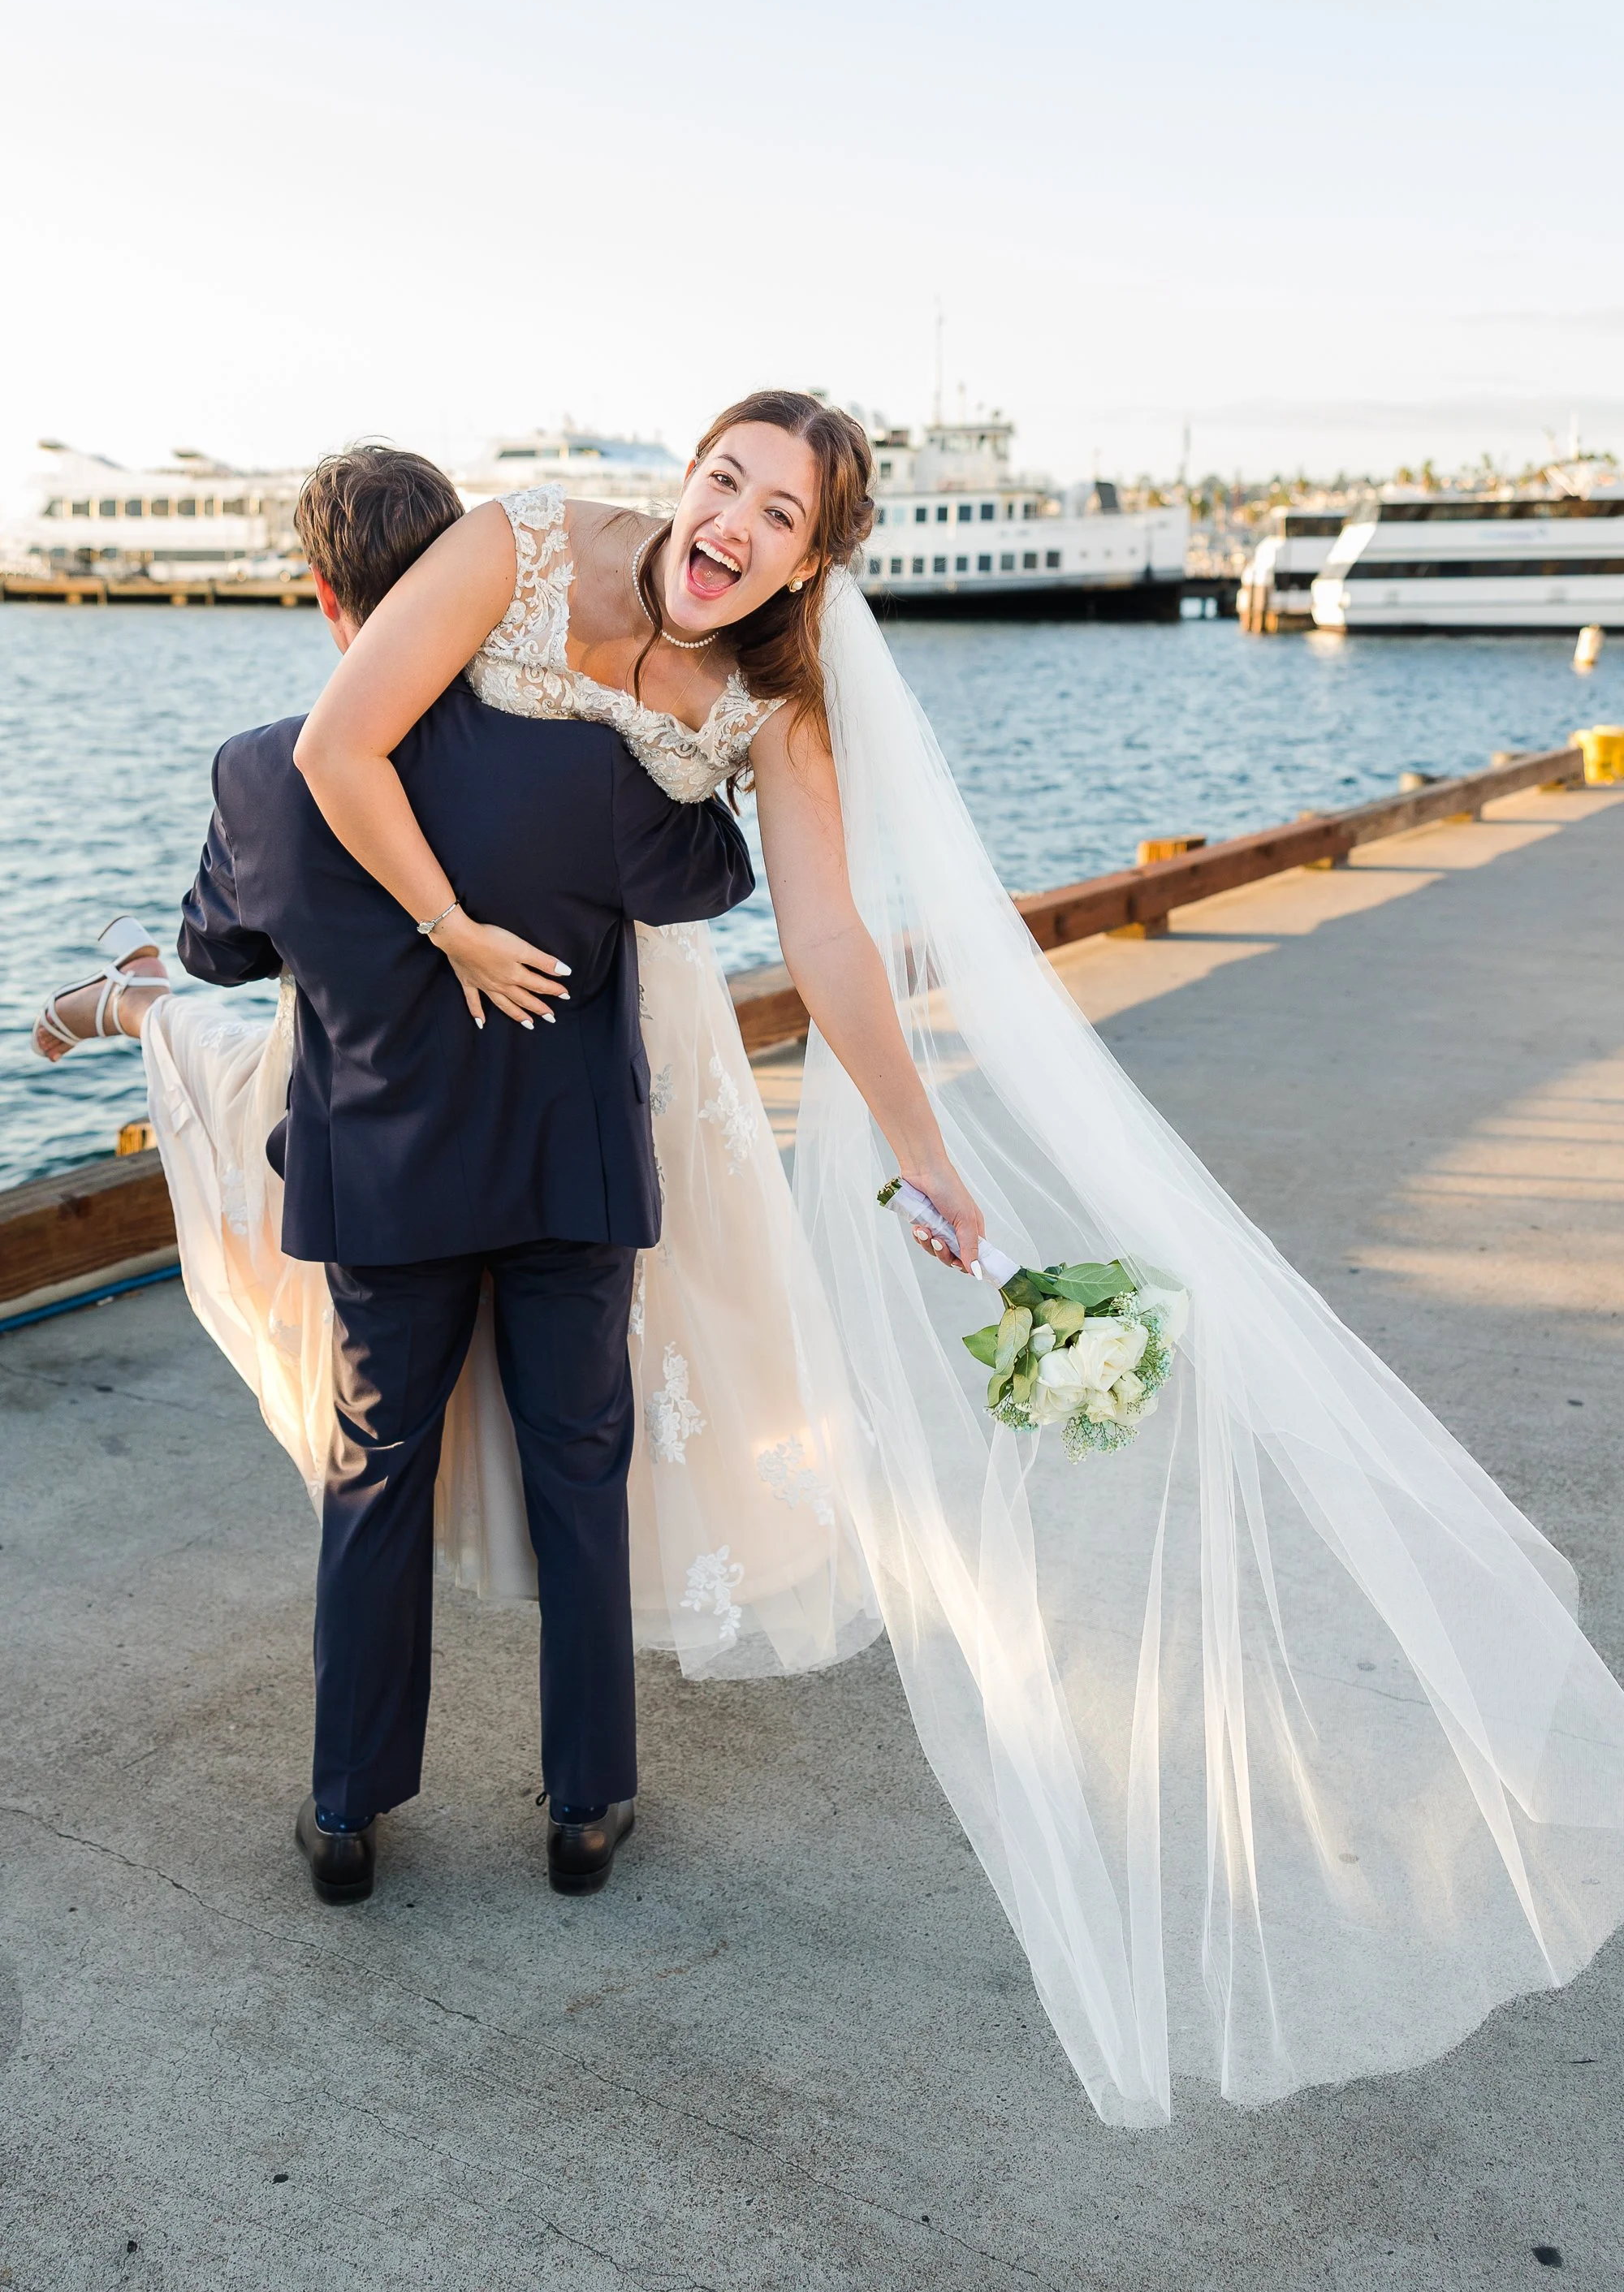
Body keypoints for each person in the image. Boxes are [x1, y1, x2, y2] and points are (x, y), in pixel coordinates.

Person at [37, 399, 1624, 2128]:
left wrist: (929, 1160)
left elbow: (830, 939)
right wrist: (456, 933)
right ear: (688, 471)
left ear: (811, 557)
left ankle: (572, 1802)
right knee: (417, 1470)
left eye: (778, 514)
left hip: (548, 1134)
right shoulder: (512, 541)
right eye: (724, 476)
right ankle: (353, 1807)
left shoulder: (774, 712)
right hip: (445, 1113)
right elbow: (343, 747)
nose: (732, 520)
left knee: (530, 1463)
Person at [38, 445, 756, 1906]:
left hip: (384, 1191)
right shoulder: (585, 758)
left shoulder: (262, 771)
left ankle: (350, 1815)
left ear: (323, 599)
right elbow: (715, 878)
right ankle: (586, 1811)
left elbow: (220, 951)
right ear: (464, 578)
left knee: (373, 1484)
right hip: (569, 1183)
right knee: (580, 1475)